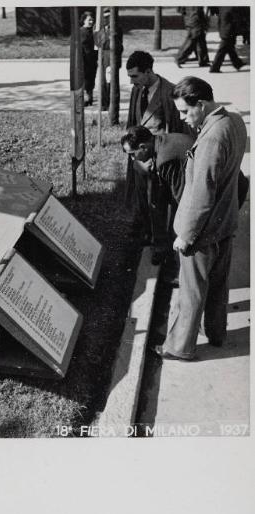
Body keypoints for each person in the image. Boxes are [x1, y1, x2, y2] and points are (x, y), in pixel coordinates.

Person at [155, 77, 247, 360]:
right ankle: (216, 333)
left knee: (191, 292)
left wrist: (186, 235)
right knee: (218, 286)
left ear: (203, 104)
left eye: (185, 111)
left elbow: (202, 191)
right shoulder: (234, 122)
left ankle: (179, 347)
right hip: (225, 223)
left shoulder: (211, 137)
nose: (183, 119)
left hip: (203, 230)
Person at [125, 50, 188, 264]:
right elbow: (133, 122)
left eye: (135, 76)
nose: (131, 81)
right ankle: (148, 234)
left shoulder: (169, 92)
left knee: (160, 203)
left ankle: (162, 246)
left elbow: (176, 129)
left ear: (149, 71)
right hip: (140, 160)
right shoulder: (137, 89)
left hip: (160, 161)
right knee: (145, 201)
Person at [94, 8, 123, 111]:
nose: (107, 20)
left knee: (111, 82)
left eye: (109, 17)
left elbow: (119, 46)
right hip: (103, 57)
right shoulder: (99, 29)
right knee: (102, 81)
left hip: (111, 57)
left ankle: (112, 104)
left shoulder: (116, 29)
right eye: (105, 17)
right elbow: (97, 44)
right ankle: (103, 104)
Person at [209, 7, 246, 73]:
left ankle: (237, 63)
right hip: (229, 31)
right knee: (222, 51)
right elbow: (236, 21)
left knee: (230, 48)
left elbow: (220, 19)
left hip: (224, 30)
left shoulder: (223, 7)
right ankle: (214, 68)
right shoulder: (232, 8)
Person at [79, 11, 98, 106]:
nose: (91, 22)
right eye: (89, 20)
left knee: (91, 79)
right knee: (84, 80)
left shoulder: (93, 31)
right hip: (84, 60)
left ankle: (90, 98)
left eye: (92, 20)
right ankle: (84, 98)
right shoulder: (81, 31)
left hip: (93, 59)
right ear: (84, 20)